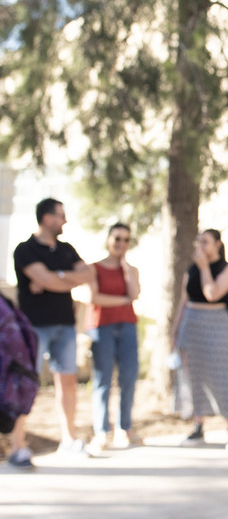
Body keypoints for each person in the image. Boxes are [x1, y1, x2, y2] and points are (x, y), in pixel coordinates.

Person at [12, 197, 95, 461]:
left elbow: (88, 275)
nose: (65, 221)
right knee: (25, 383)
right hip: (34, 328)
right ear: (47, 218)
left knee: (68, 381)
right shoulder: (25, 250)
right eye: (61, 215)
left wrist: (53, 278)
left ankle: (68, 439)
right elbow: (48, 279)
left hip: (65, 326)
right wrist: (64, 278)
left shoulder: (67, 249)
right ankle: (17, 446)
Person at [170, 228, 228, 449]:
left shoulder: (226, 269)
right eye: (199, 242)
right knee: (194, 377)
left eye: (206, 242)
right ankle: (198, 426)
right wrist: (175, 331)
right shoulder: (190, 269)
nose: (200, 246)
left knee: (220, 375)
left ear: (217, 244)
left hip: (216, 324)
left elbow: (212, 293)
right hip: (192, 324)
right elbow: (183, 300)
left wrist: (204, 268)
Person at [85, 223, 142, 450]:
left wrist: (126, 268)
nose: (121, 243)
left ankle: (124, 428)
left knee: (128, 377)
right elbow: (95, 297)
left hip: (127, 326)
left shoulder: (132, 270)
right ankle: (101, 431)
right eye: (118, 238)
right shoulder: (94, 268)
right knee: (102, 380)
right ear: (109, 239)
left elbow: (134, 293)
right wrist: (122, 300)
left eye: (126, 240)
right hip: (102, 327)